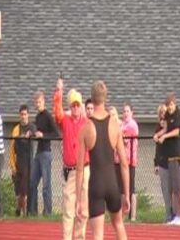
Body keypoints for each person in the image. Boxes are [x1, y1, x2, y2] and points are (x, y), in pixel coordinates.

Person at [76, 80, 129, 240]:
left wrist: (78, 200)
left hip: (96, 185)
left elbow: (79, 168)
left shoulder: (85, 129)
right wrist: (126, 194)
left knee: (98, 234)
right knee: (119, 225)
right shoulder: (115, 125)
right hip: (112, 184)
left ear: (91, 99)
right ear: (105, 98)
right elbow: (125, 164)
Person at [53, 78, 90, 240]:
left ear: (81, 106)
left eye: (77, 105)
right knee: (68, 208)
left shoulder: (87, 123)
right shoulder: (65, 121)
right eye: (73, 105)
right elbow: (57, 112)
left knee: (84, 209)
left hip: (85, 168)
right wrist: (59, 91)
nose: (75, 108)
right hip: (71, 170)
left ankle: (80, 237)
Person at [154, 94, 180, 226]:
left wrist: (165, 136)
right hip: (170, 157)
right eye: (168, 105)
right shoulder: (168, 115)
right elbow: (166, 128)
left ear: (175, 104)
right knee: (174, 189)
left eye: (171, 105)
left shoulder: (178, 114)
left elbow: (176, 131)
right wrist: (158, 135)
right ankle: (177, 214)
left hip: (178, 155)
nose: (169, 107)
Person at [29, 90, 59, 216]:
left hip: (46, 153)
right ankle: (33, 211)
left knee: (46, 185)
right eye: (36, 102)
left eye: (40, 101)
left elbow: (57, 134)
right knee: (32, 182)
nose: (38, 104)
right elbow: (36, 132)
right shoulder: (37, 117)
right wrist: (32, 133)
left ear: (44, 101)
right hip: (38, 153)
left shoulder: (47, 116)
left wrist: (43, 135)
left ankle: (48, 212)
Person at [9, 105, 36, 217]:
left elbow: (34, 132)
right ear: (19, 115)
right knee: (18, 191)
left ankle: (24, 213)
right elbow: (11, 149)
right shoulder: (16, 129)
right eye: (22, 114)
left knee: (24, 191)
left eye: (25, 114)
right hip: (17, 161)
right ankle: (18, 210)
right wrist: (12, 166)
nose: (23, 116)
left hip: (27, 163)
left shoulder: (32, 127)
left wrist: (29, 135)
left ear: (28, 115)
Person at [153, 103, 173, 222]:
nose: (162, 116)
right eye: (160, 114)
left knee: (174, 189)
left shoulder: (171, 127)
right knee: (165, 189)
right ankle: (168, 213)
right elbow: (157, 147)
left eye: (164, 113)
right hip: (162, 163)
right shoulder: (157, 129)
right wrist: (155, 163)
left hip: (172, 161)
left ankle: (177, 212)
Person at [121, 103, 139, 221]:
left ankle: (132, 216)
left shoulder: (131, 125)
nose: (125, 113)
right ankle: (124, 214)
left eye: (127, 111)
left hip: (130, 161)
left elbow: (125, 141)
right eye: (124, 111)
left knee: (131, 189)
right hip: (123, 161)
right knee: (123, 189)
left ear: (132, 112)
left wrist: (119, 134)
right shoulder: (123, 124)